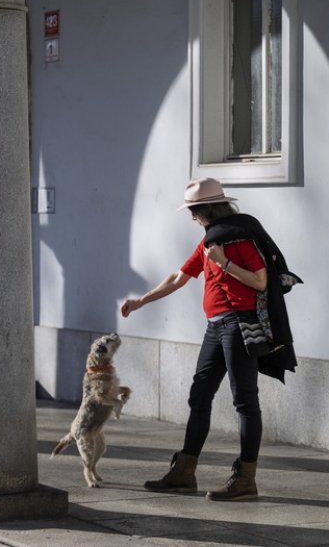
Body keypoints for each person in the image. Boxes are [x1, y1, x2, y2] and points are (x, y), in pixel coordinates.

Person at [120, 177, 298, 502]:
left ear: (207, 210)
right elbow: (179, 276)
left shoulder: (235, 239)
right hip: (215, 328)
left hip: (239, 325)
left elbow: (260, 281)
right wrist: (141, 301)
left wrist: (225, 263)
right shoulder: (210, 241)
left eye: (194, 211)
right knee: (199, 395)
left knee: (245, 401)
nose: (192, 217)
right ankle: (183, 473)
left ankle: (246, 479)